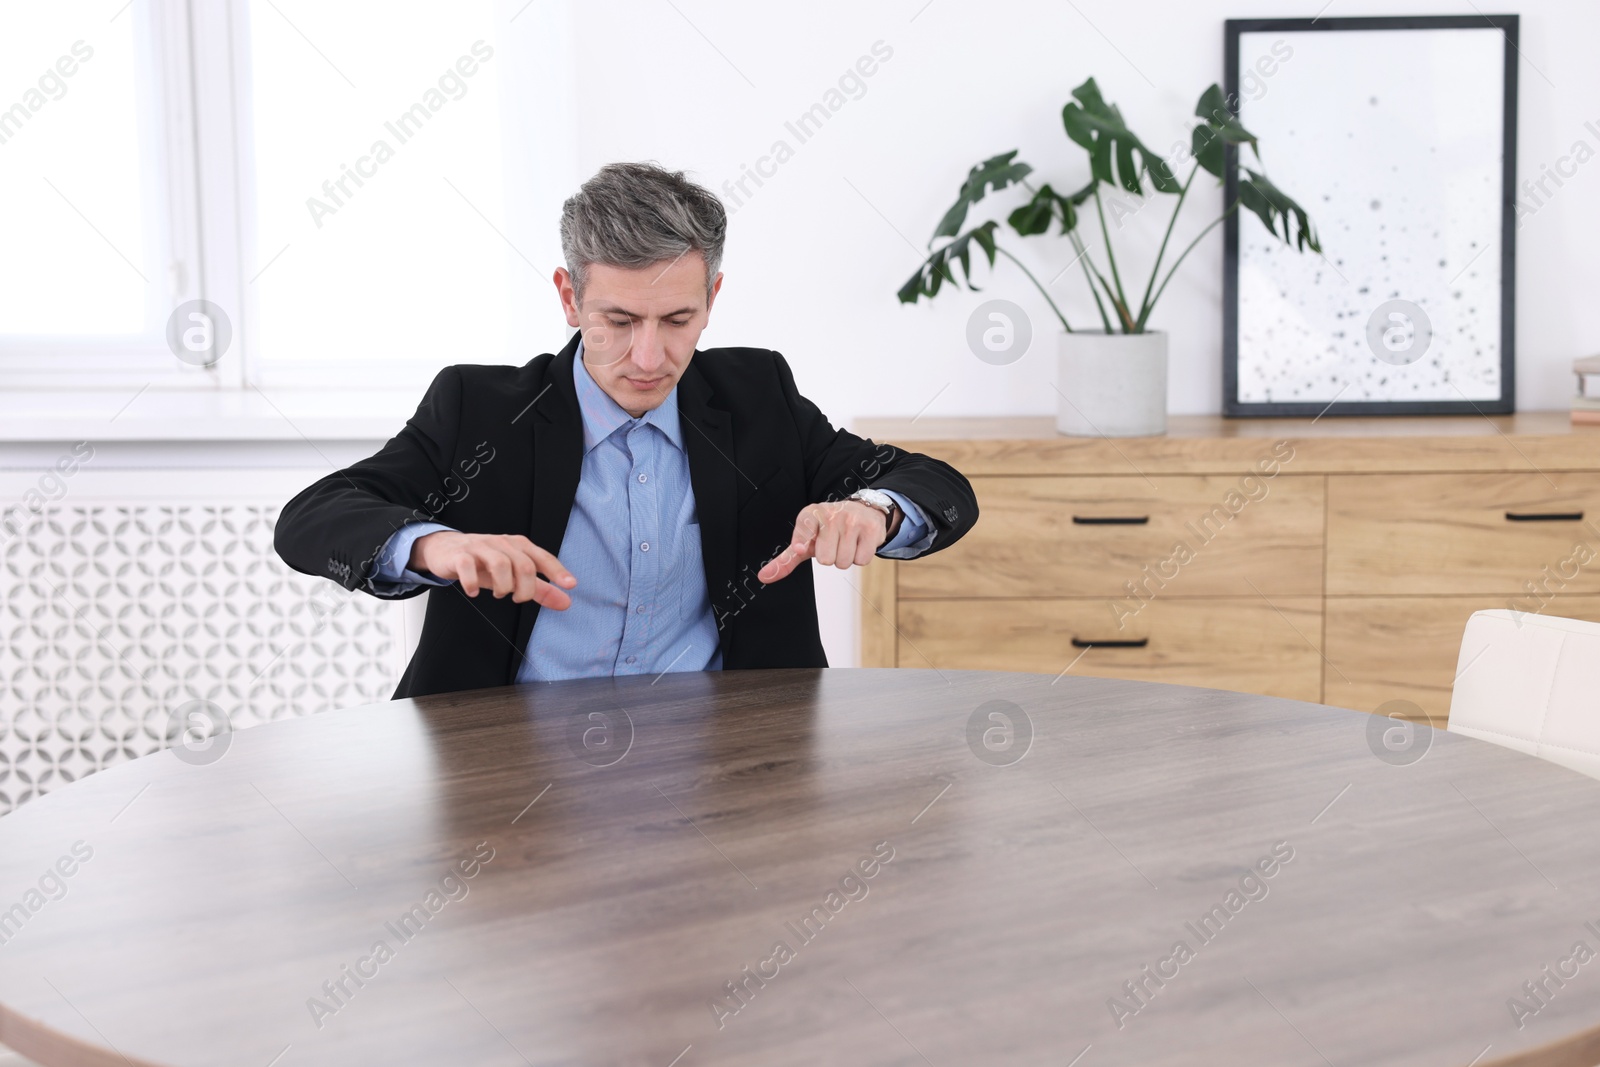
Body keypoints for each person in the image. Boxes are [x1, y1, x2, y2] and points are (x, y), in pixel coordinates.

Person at [274, 162, 979, 698]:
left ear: (712, 299)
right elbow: (312, 519)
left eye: (677, 321)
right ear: (568, 297)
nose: (648, 358)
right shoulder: (477, 408)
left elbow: (937, 486)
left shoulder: (759, 397)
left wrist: (875, 510)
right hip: (505, 770)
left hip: (734, 769)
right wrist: (436, 546)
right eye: (618, 321)